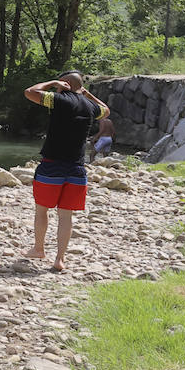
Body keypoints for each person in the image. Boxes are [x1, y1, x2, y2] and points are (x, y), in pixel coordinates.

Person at [24, 70, 110, 272]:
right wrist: (86, 94)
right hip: (77, 169)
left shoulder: (58, 100)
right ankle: (59, 259)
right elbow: (106, 110)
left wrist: (53, 82)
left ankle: (39, 249)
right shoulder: (90, 107)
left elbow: (30, 92)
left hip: (51, 165)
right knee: (66, 216)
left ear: (64, 84)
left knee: (42, 209)